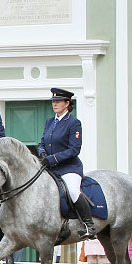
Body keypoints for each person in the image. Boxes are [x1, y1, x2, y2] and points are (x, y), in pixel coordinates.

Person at [38, 87, 95, 239]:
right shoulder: (50, 121)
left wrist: (52, 158)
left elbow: (74, 149)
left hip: (69, 168)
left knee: (73, 190)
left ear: (67, 103)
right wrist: (42, 152)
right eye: (53, 101)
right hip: (50, 168)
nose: (54, 104)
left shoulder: (74, 123)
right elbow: (42, 142)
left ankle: (89, 225)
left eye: (58, 101)